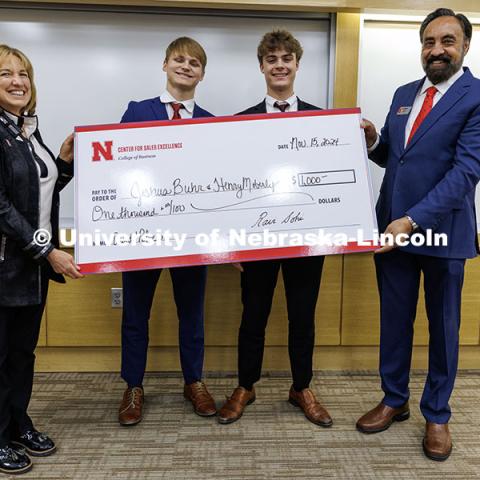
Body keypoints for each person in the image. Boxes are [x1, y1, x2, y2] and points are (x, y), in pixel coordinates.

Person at [356, 9, 480, 461]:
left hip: (441, 233)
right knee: (395, 319)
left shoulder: (476, 97)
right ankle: (394, 398)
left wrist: (412, 220)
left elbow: (466, 172)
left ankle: (438, 413)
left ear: (465, 45)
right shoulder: (404, 94)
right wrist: (372, 141)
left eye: (447, 40)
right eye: (429, 41)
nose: (437, 50)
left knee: (443, 327)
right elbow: (396, 155)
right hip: (393, 229)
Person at [218, 30, 332, 427]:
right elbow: (230, 186)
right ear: (262, 67)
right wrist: (231, 244)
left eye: (287, 58)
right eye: (272, 59)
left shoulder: (323, 121)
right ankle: (245, 386)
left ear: (297, 65)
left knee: (303, 316)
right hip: (257, 239)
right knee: (254, 315)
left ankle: (301, 386)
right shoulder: (240, 123)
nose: (280, 65)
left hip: (307, 239)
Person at [118, 37, 216, 426]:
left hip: (192, 237)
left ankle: (193, 381)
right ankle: (133, 386)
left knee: (192, 313)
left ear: (202, 74)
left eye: (195, 62)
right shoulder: (136, 111)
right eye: (180, 59)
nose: (186, 66)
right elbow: (117, 170)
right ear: (165, 65)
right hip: (142, 235)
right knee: (135, 314)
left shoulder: (211, 123)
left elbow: (218, 183)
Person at [0, 44, 82, 475]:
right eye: (5, 74)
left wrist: (63, 162)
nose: (17, 81)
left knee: (22, 354)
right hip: (7, 265)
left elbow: (37, 196)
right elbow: (1, 208)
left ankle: (17, 423)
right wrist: (48, 250)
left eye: (23, 74)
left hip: (30, 268)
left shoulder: (25, 129)